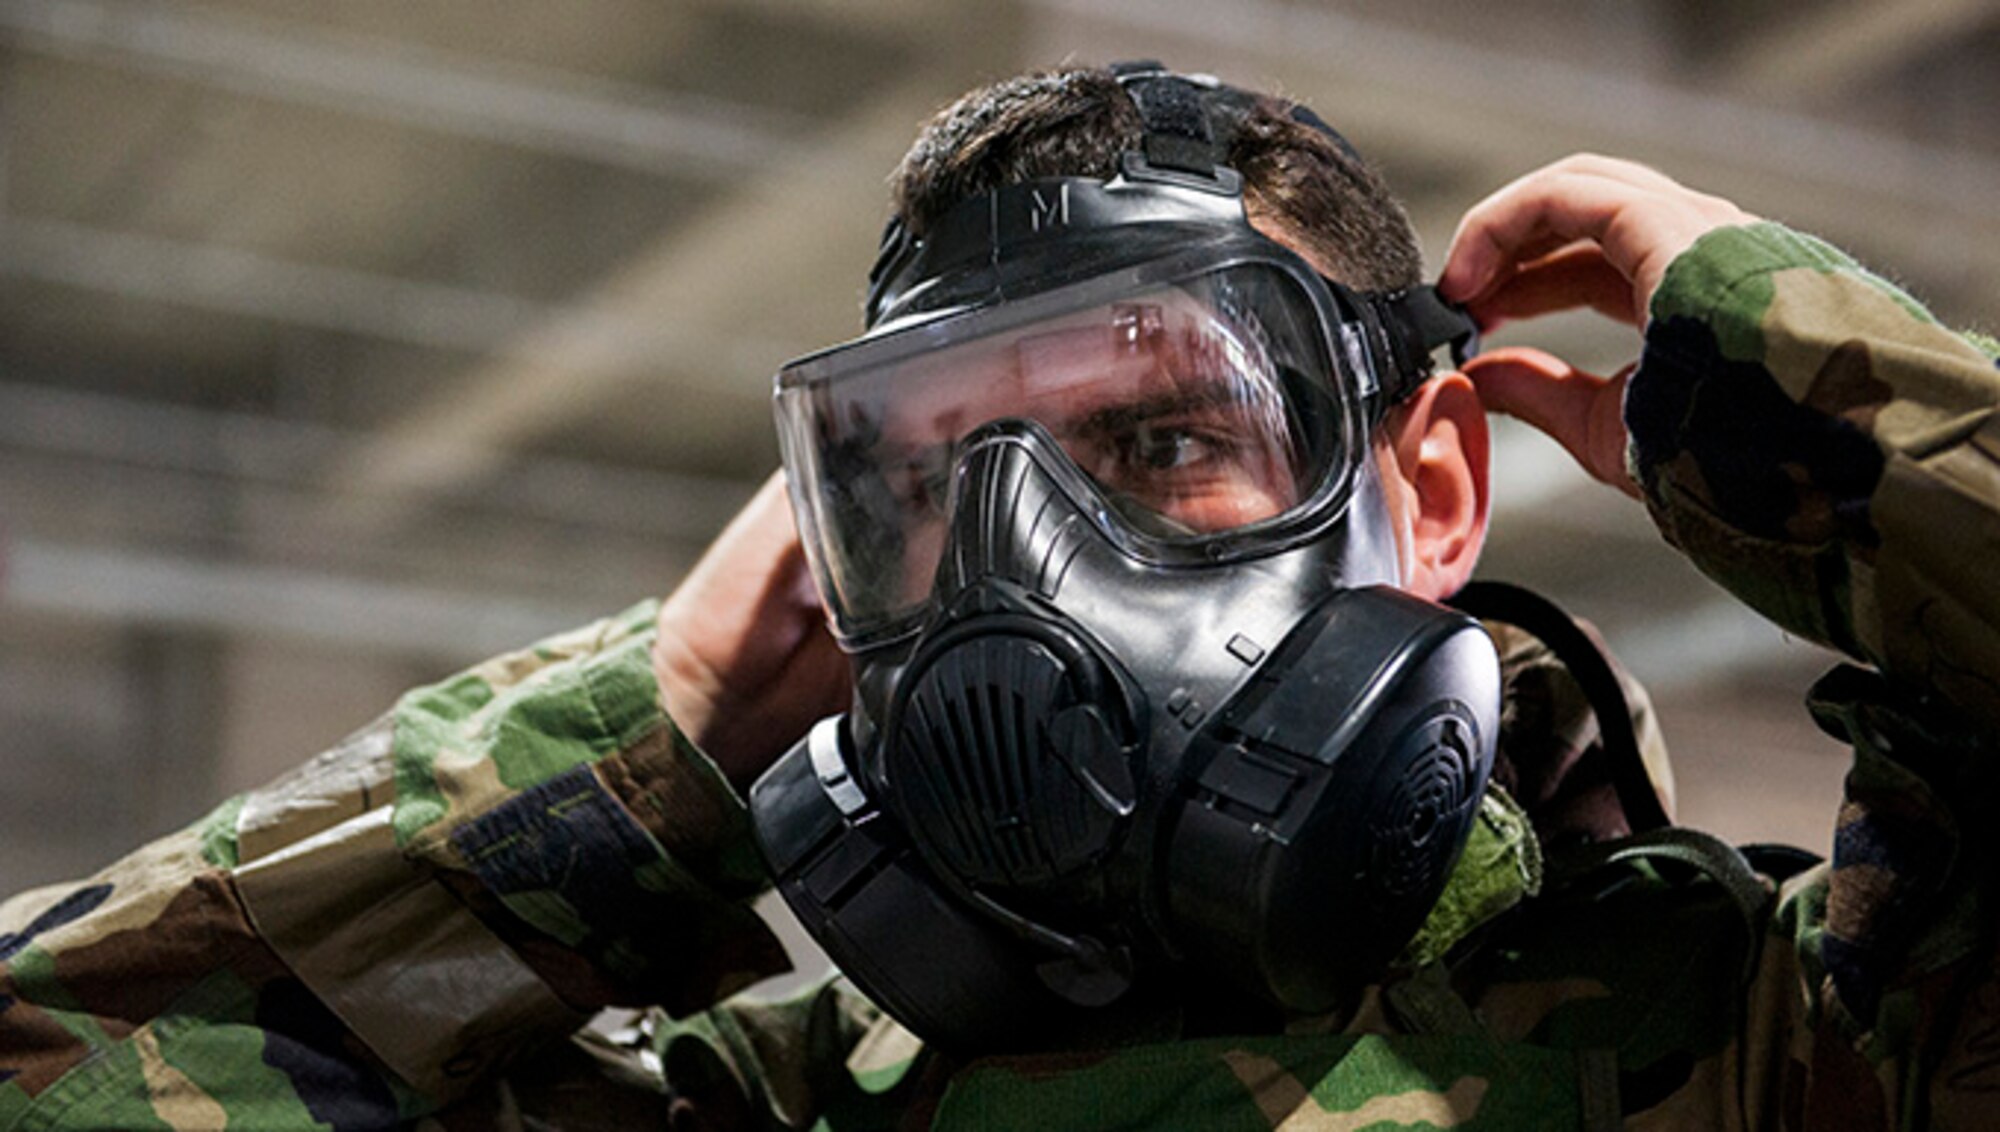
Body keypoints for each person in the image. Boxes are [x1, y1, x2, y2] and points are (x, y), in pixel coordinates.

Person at [2, 63, 1996, 1130]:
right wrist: (646, 745)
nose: (1021, 567)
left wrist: (1827, 397)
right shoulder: (778, 1110)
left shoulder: (1794, 1039)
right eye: (927, 482)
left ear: (1435, 484)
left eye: (1160, 436)